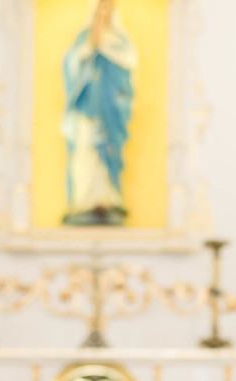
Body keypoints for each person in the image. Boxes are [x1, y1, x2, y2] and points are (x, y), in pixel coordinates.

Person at [62, 0, 136, 226]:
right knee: (85, 153)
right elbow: (70, 65)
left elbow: (129, 67)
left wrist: (104, 48)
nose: (103, 12)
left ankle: (108, 200)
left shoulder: (120, 41)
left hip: (110, 113)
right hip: (87, 110)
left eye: (108, 7)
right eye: (100, 7)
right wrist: (88, 49)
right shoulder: (83, 39)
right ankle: (84, 202)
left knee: (109, 152)